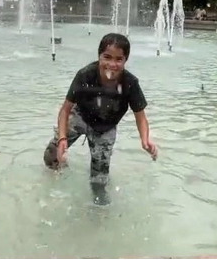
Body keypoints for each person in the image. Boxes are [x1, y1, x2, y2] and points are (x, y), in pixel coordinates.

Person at [43, 33, 157, 205]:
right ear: (99, 56)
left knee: (99, 183)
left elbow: (140, 117)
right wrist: (62, 138)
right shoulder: (85, 75)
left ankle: (98, 216)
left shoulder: (130, 83)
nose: (112, 64)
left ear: (125, 60)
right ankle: (59, 174)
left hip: (105, 128)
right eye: (107, 57)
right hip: (79, 117)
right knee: (51, 156)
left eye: (119, 59)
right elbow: (65, 110)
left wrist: (145, 139)